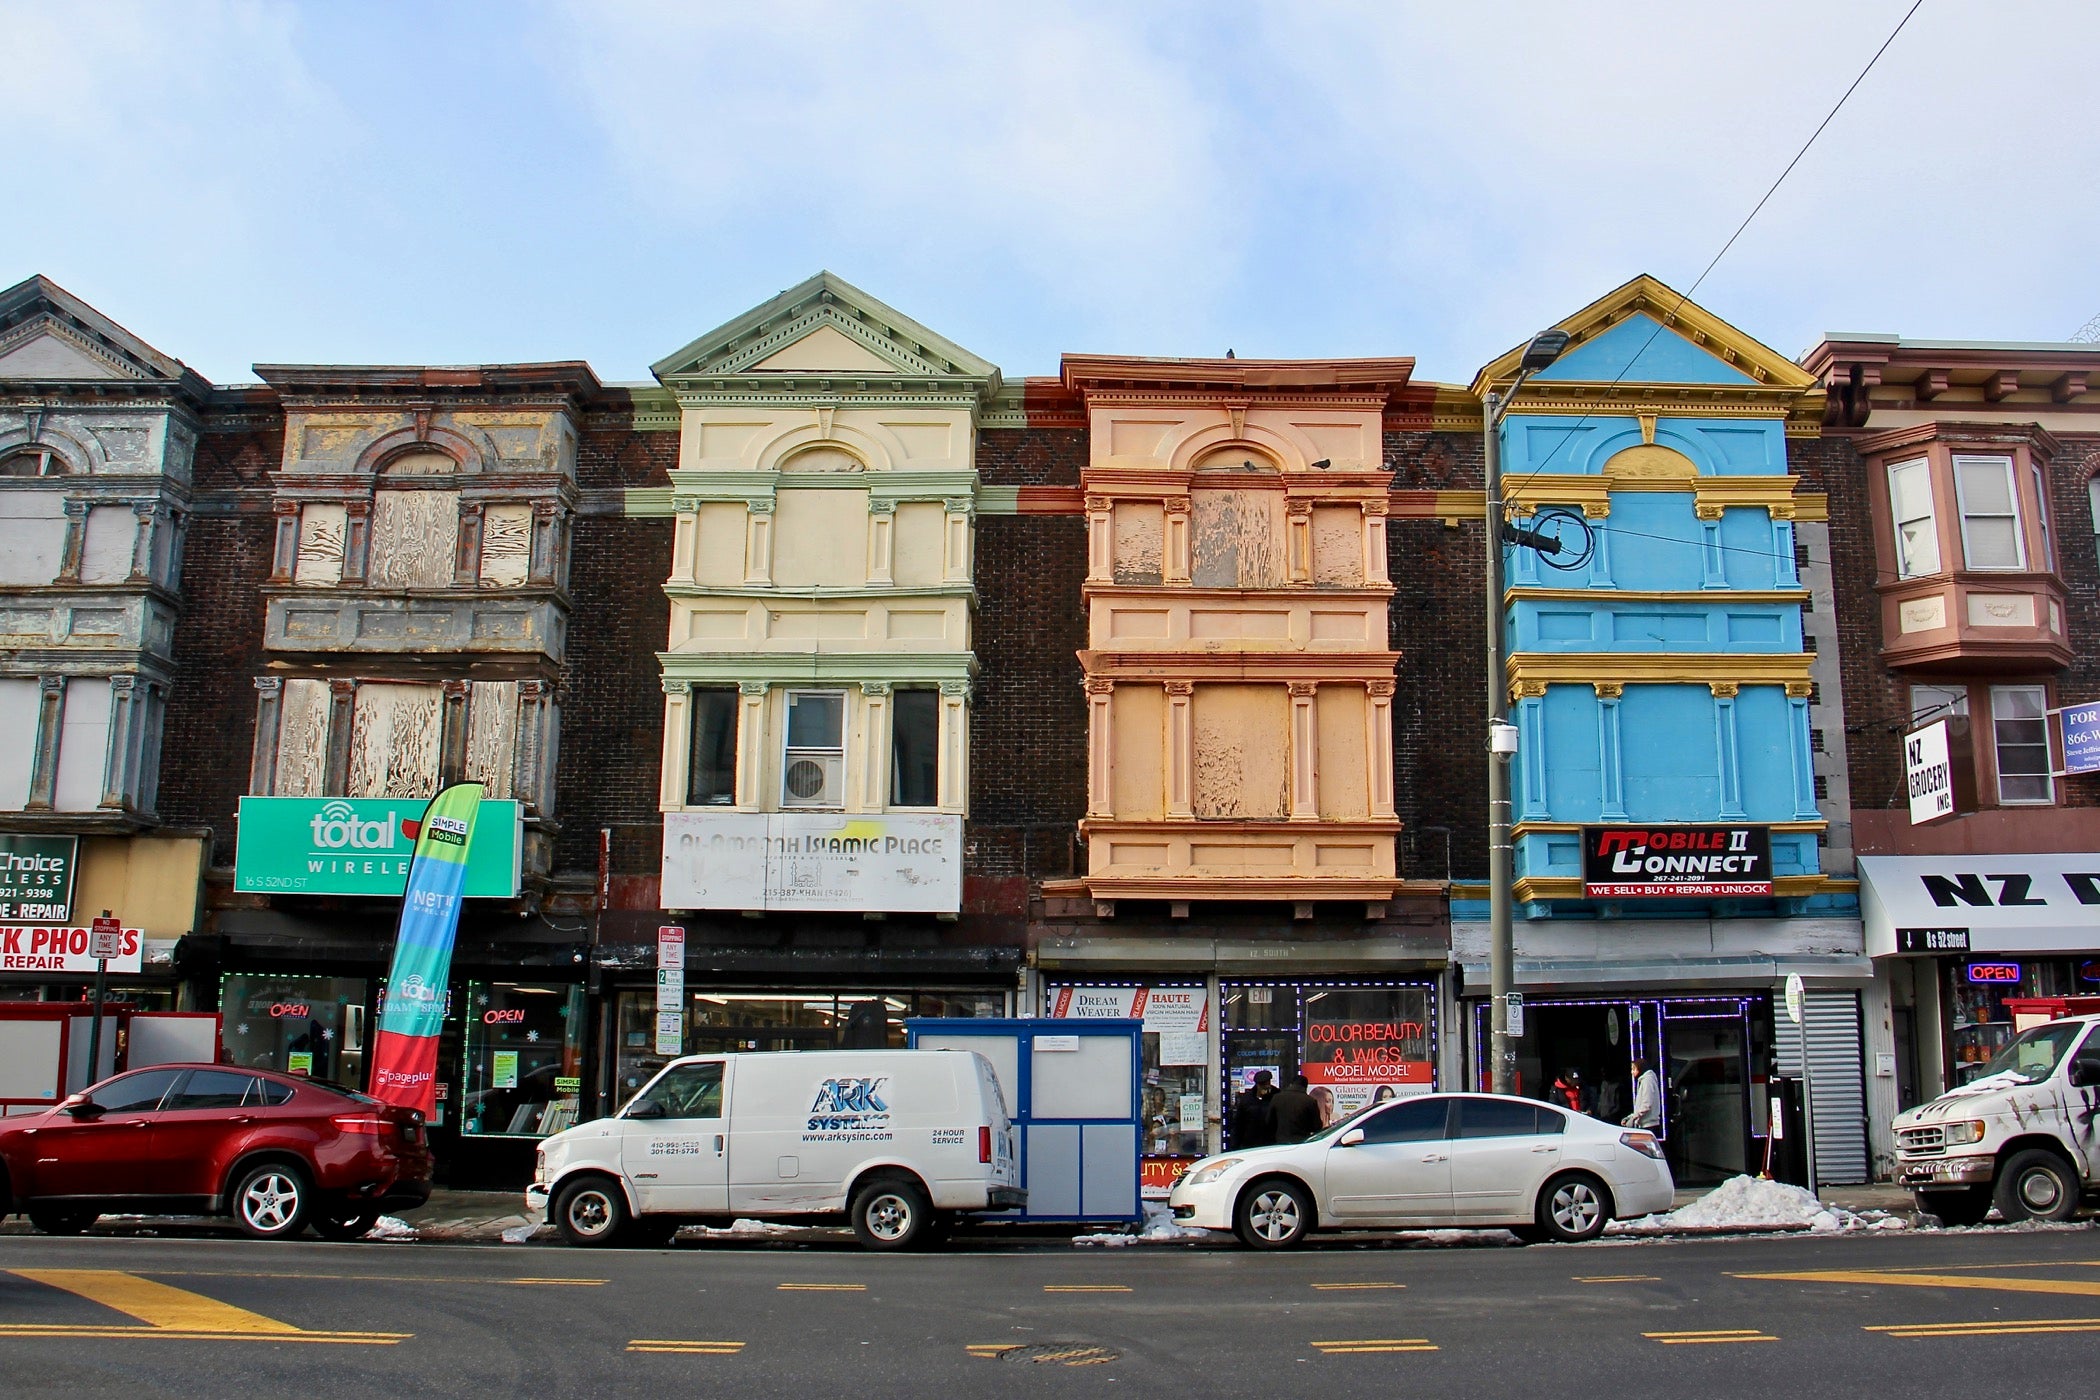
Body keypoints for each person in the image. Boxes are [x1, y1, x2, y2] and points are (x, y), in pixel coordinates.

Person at [1268, 1074, 1324, 1143]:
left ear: (1291, 1084)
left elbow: (1269, 1121)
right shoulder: (1309, 1101)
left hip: (1280, 1141)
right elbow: (1317, 1126)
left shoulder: (1277, 1097)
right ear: (1305, 1086)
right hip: (1301, 1141)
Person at [1231, 1070, 1277, 1147]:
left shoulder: (1276, 1096)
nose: (1265, 1087)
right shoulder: (1247, 1099)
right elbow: (1238, 1124)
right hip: (1250, 1143)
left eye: (1267, 1084)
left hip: (1271, 1143)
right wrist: (1235, 1145)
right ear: (1257, 1085)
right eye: (1262, 1085)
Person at [1622, 1056, 1662, 1130]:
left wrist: (1634, 1118)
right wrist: (1630, 1117)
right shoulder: (1645, 1080)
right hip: (1646, 1123)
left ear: (1640, 1068)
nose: (1632, 1072)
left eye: (1633, 1069)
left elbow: (1646, 1104)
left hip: (1649, 1124)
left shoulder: (1647, 1080)